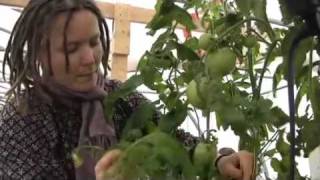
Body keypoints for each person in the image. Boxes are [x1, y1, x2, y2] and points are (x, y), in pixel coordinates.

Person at [0, 0, 253, 179]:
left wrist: (221, 160)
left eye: (93, 41)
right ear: (40, 55)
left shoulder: (118, 98)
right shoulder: (23, 120)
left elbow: (173, 138)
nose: (90, 58)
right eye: (71, 49)